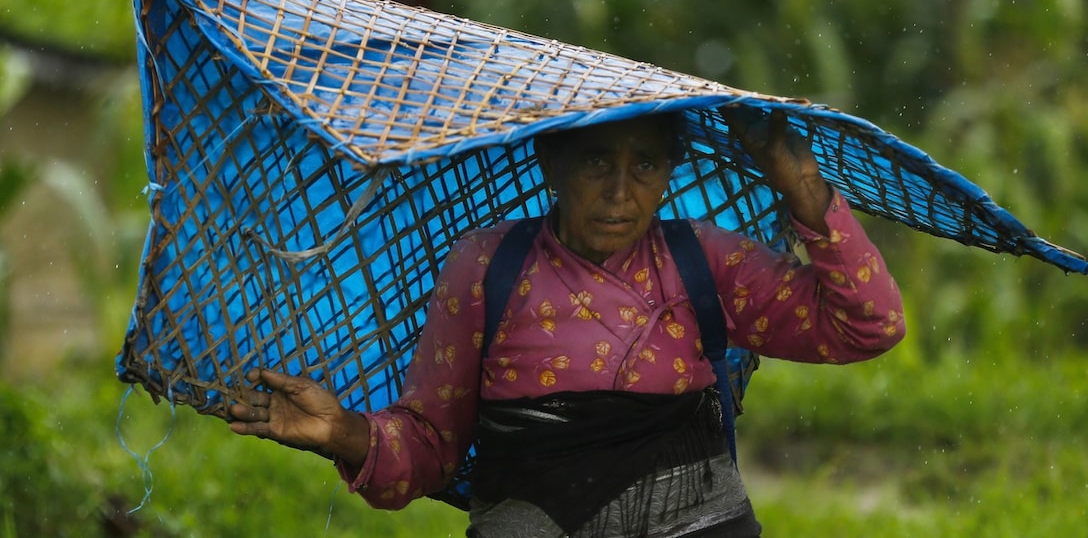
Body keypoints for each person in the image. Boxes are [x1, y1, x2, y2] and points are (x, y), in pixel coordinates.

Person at [229, 105, 906, 537]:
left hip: (697, 519)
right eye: (595, 163)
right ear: (552, 163)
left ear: (669, 172)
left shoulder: (704, 261)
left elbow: (867, 326)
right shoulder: (489, 267)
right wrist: (344, 433)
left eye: (644, 164)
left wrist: (800, 184)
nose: (620, 191)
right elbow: (431, 447)